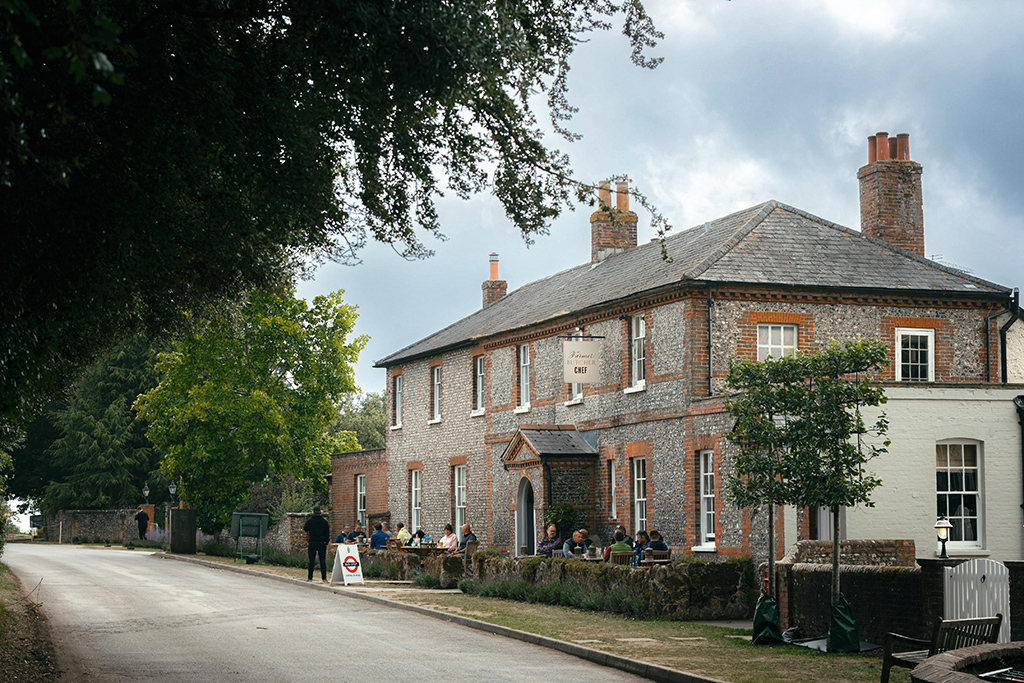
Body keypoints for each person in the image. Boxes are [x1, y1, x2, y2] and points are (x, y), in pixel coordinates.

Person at [303, 505, 331, 582]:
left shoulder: (310, 520)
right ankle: (324, 578)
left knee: (311, 560)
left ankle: (310, 577)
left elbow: (305, 528)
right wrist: (326, 542)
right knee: (322, 561)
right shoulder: (324, 522)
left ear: (313, 512)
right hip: (321, 543)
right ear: (320, 512)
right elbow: (327, 534)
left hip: (312, 542)